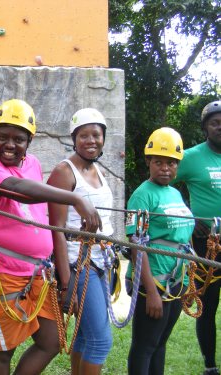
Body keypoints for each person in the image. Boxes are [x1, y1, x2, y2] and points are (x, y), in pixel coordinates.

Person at [0, 99, 102, 375]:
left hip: (37, 272)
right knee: (3, 351)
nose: (9, 144)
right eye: (2, 137)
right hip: (0, 270)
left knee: (51, 342)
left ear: (30, 141)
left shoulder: (33, 164)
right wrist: (75, 198)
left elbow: (38, 211)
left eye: (19, 139)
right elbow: (18, 189)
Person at [46, 108, 113, 375]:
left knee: (86, 336)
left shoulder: (97, 170)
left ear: (103, 138)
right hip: (78, 263)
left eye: (96, 134)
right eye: (83, 135)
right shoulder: (65, 171)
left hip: (101, 261)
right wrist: (65, 281)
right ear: (74, 139)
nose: (91, 140)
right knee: (100, 341)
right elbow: (57, 228)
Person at [125, 127, 194, 375]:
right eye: (159, 162)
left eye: (171, 163)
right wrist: (152, 292)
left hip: (176, 281)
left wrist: (188, 281)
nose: (165, 168)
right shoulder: (141, 196)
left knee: (160, 343)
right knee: (145, 345)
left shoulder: (175, 192)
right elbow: (136, 246)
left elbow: (183, 237)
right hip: (153, 282)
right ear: (148, 162)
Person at [174, 100, 221, 375]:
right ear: (205, 128)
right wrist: (189, 218)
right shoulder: (191, 157)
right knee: (208, 304)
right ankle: (210, 366)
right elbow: (163, 182)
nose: (220, 127)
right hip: (208, 245)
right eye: (215, 123)